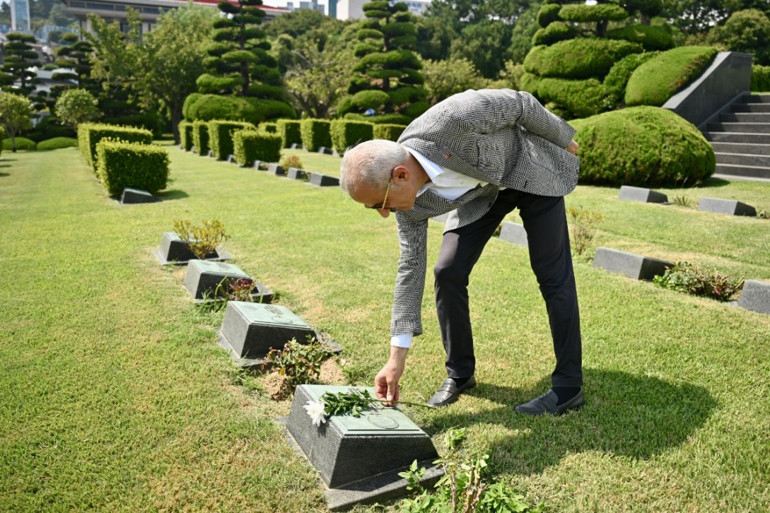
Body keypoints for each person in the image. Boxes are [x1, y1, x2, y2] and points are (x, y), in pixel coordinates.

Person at [339, 89, 584, 415]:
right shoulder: (408, 204)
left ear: (401, 175)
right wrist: (395, 360)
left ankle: (568, 387)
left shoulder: (452, 120)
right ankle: (460, 373)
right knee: (448, 271)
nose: (385, 214)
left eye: (379, 205)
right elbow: (409, 269)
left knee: (552, 273)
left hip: (528, 170)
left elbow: (521, 103)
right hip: (484, 196)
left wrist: (562, 138)